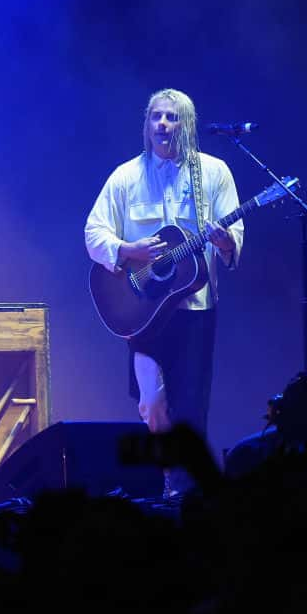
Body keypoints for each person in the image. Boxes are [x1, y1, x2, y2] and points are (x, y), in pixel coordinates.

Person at [85, 88, 244, 497]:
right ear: (146, 125)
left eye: (172, 118)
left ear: (187, 125)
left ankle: (186, 495)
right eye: (156, 117)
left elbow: (233, 243)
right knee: (152, 402)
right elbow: (94, 231)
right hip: (144, 311)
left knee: (191, 407)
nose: (162, 125)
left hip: (194, 309)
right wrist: (126, 250)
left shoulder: (213, 173)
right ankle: (165, 472)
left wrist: (225, 240)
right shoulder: (126, 176)